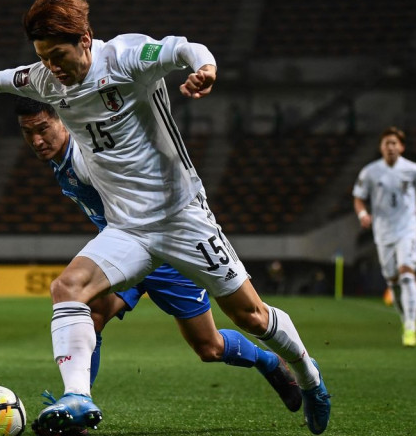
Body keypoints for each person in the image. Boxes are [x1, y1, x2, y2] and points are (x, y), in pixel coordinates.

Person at [0, 0, 330, 434]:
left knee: (248, 319)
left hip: (182, 218)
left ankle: (311, 378)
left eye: (58, 55)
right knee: (68, 289)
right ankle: (78, 398)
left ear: (86, 38)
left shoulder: (124, 58)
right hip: (127, 231)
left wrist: (205, 67)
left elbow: (180, 45)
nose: (51, 67)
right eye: (43, 57)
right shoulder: (46, 83)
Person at [16, 97, 302, 411]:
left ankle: (268, 362)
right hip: (124, 252)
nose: (37, 140)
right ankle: (77, 402)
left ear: (63, 120)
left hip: (168, 255)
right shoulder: (61, 160)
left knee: (209, 348)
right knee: (91, 311)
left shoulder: (89, 153)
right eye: (28, 132)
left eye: (43, 129)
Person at [353, 126, 416, 347]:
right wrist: (363, 214)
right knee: (392, 281)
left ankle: (411, 326)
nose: (391, 147)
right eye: (387, 143)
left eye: (395, 143)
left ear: (401, 146)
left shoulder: (413, 169)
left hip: (408, 228)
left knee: (406, 274)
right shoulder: (370, 172)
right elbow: (358, 197)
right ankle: (406, 319)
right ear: (381, 148)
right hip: (383, 231)